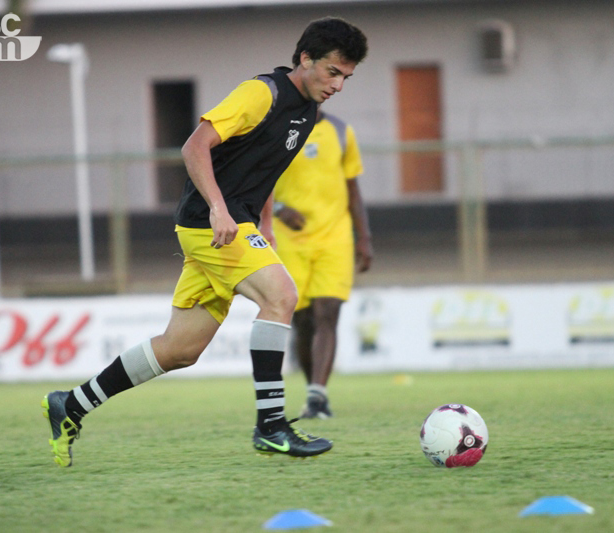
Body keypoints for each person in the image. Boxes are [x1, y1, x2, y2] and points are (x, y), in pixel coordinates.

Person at [42, 17, 368, 467]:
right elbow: (195, 145)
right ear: (305, 59)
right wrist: (218, 207)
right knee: (282, 296)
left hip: (234, 226)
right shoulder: (263, 93)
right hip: (209, 224)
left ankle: (71, 404)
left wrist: (265, 222)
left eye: (347, 77)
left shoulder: (307, 111)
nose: (339, 85)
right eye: (333, 72)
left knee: (180, 349)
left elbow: (267, 168)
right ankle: (271, 426)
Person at [272, 108, 372, 419]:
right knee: (303, 321)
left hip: (335, 236)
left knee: (327, 313)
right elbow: (255, 180)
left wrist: (364, 237)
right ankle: (312, 389)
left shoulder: (342, 131)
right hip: (290, 239)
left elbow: (353, 190)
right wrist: (277, 207)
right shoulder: (276, 130)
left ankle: (318, 397)